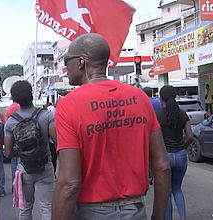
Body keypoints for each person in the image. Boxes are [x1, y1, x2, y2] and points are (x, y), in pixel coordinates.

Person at [52, 33, 170, 220]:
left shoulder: (69, 105)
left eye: (67, 61)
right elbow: (162, 166)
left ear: (81, 63)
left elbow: (69, 183)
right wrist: (159, 216)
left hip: (89, 213)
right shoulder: (140, 98)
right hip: (136, 211)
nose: (65, 67)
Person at [4, 80, 56, 220]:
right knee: (47, 208)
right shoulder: (47, 116)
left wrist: (23, 152)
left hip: (24, 169)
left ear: (14, 100)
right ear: (31, 95)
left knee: (25, 209)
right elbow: (57, 141)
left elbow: (8, 153)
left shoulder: (10, 122)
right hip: (45, 166)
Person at [157, 86, 193, 220]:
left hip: (165, 156)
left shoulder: (158, 115)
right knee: (177, 188)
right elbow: (190, 136)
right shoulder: (182, 114)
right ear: (175, 98)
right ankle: (183, 217)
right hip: (181, 156)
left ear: (161, 99)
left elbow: (155, 138)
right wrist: (183, 147)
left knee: (167, 191)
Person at [5, 101, 20, 183]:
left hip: (13, 136)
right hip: (25, 134)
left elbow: (7, 124)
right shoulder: (21, 107)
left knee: (14, 160)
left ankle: (15, 182)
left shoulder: (8, 109)